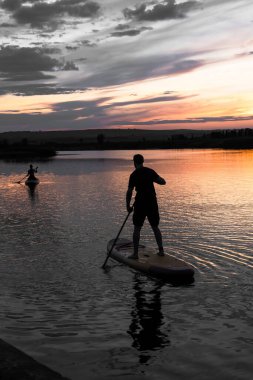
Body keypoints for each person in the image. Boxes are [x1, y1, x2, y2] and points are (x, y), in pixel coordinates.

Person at [126, 154, 166, 260]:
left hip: (140, 203)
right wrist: (156, 179)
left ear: (135, 163)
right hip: (152, 202)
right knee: (155, 227)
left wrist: (128, 206)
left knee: (137, 228)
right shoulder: (150, 171)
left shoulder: (133, 175)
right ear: (143, 161)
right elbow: (163, 182)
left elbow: (129, 192)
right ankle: (161, 251)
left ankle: (135, 254)